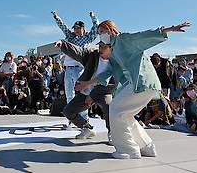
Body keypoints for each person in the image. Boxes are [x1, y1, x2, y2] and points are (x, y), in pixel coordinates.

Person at [75, 20, 191, 159]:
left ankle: (128, 149)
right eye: (99, 33)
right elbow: (105, 74)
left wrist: (170, 29)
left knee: (116, 110)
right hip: (136, 84)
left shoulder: (123, 39)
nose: (100, 35)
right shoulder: (113, 53)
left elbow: (143, 36)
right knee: (125, 115)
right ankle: (147, 147)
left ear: (110, 30)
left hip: (142, 81)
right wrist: (87, 83)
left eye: (102, 32)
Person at [54, 36, 113, 140]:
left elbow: (112, 84)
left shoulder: (116, 62)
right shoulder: (92, 56)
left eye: (103, 47)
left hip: (104, 92)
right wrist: (63, 44)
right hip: (87, 91)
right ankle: (87, 128)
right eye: (99, 46)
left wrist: (93, 96)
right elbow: (79, 51)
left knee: (109, 107)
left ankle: (112, 133)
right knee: (68, 111)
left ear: (111, 48)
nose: (100, 49)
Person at [51, 10, 99, 125]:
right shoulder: (70, 37)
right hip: (68, 69)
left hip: (80, 69)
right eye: (75, 28)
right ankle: (72, 118)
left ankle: (85, 119)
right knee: (69, 95)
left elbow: (96, 27)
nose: (76, 30)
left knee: (82, 94)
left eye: (78, 28)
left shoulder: (87, 38)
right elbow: (63, 27)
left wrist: (93, 17)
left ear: (83, 28)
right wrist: (56, 17)